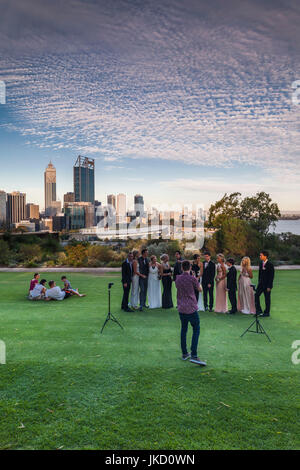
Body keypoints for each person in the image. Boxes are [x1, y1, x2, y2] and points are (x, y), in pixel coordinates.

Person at [175, 260, 206, 366]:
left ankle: (184, 353)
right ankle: (194, 354)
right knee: (196, 329)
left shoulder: (178, 278)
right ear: (190, 267)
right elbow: (200, 289)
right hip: (191, 308)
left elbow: (177, 287)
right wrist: (196, 280)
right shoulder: (192, 278)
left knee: (184, 329)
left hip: (181, 308)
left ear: (182, 268)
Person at [255, 250, 275, 317]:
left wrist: (269, 286)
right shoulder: (261, 263)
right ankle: (259, 311)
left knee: (267, 299)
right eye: (260, 255)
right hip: (260, 284)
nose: (260, 256)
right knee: (256, 295)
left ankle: (267, 313)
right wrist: (259, 282)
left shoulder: (270, 265)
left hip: (267, 285)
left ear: (265, 256)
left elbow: (271, 276)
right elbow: (260, 274)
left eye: (261, 255)